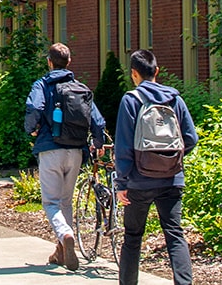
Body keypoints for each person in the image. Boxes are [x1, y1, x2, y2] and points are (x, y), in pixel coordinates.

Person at [113, 50, 198, 285]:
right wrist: (170, 160)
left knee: (132, 236)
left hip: (138, 181)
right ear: (156, 72)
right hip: (172, 179)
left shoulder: (131, 100)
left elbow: (124, 146)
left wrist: (122, 183)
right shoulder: (175, 99)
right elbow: (190, 138)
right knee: (175, 234)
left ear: (134, 74)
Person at [24, 43, 107, 271]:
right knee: (65, 202)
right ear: (69, 63)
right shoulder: (80, 88)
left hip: (50, 149)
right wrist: (97, 142)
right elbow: (97, 119)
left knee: (51, 202)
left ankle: (65, 234)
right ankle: (61, 251)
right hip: (76, 151)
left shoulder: (43, 84)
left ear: (49, 62)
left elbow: (34, 106)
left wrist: (31, 128)